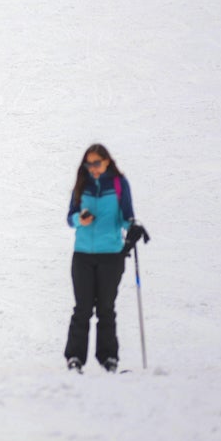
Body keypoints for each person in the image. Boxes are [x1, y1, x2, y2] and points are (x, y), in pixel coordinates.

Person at [64, 144, 148, 373]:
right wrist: (80, 219)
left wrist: (133, 227)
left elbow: (126, 217)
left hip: (111, 255)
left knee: (106, 308)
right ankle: (75, 358)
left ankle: (108, 358)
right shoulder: (82, 184)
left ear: (107, 161)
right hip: (82, 255)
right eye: (89, 164)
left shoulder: (119, 184)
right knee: (82, 308)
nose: (92, 168)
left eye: (96, 163)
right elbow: (69, 218)